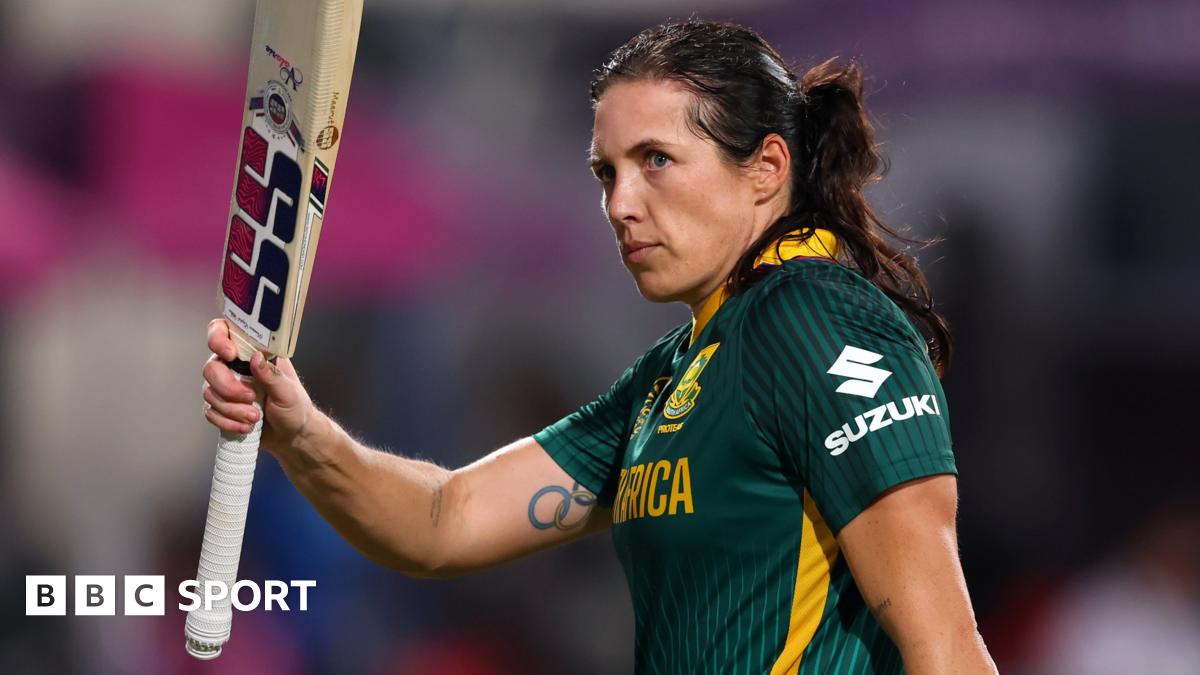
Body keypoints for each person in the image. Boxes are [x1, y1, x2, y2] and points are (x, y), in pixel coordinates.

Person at [202, 18, 997, 675]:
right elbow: (444, 518)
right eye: (604, 172)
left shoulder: (820, 320)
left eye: (655, 161)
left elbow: (950, 653)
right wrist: (300, 430)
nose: (620, 203)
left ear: (766, 168)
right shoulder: (674, 375)